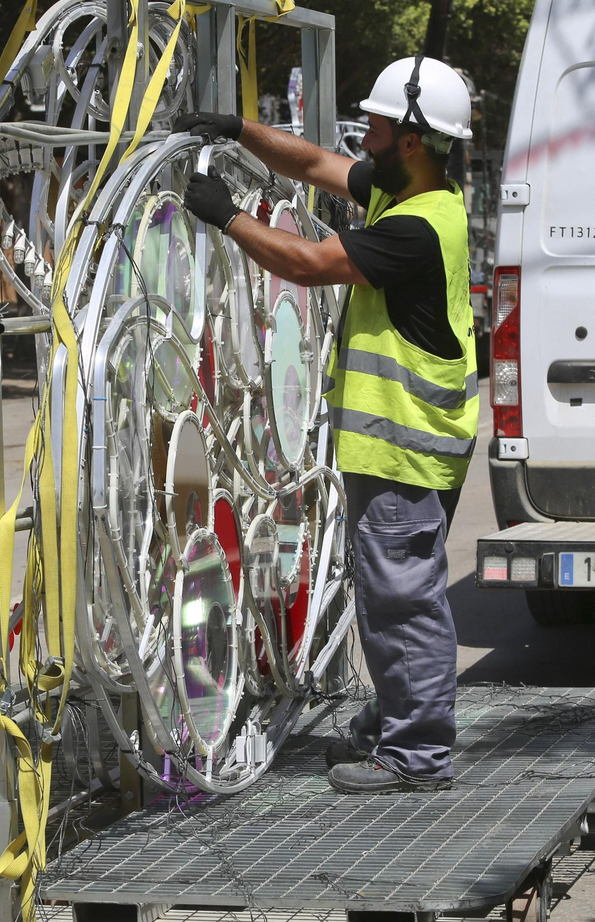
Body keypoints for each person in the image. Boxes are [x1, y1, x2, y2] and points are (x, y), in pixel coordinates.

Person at [173, 56, 479, 794]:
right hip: (407, 444)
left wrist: (226, 214)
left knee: (404, 600)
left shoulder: (415, 227)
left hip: (406, 449)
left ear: (411, 138)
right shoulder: (411, 190)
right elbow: (314, 163)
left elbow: (308, 264)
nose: (364, 133)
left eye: (376, 122)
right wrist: (237, 128)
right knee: (390, 593)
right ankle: (398, 722)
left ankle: (417, 754)